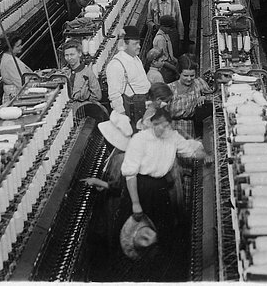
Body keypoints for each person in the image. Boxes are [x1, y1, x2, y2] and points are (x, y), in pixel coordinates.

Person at [120, 108, 208, 251]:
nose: (163, 128)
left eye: (166, 125)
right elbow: (130, 175)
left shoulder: (172, 137)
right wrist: (136, 203)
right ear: (151, 123)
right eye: (159, 124)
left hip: (160, 188)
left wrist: (206, 155)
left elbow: (190, 150)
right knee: (138, 232)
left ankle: (160, 257)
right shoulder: (139, 140)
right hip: (140, 188)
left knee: (162, 228)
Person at [82, 111, 133, 250]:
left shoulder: (119, 159)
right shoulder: (117, 151)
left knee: (113, 228)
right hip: (117, 198)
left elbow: (118, 186)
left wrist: (96, 181)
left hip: (117, 202)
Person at [106, 26, 151, 127]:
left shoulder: (135, 58)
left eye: (139, 43)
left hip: (144, 105)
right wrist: (123, 119)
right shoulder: (116, 65)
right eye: (135, 44)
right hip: (133, 110)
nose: (139, 46)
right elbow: (114, 95)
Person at [167, 54, 212, 139]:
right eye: (185, 75)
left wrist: (205, 98)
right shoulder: (170, 89)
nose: (189, 79)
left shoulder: (199, 83)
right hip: (171, 129)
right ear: (179, 73)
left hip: (190, 128)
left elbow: (213, 97)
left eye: (192, 76)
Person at [0, 31, 34, 103]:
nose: (21, 47)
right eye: (18, 46)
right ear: (9, 48)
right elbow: (20, 82)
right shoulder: (9, 61)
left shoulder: (10, 57)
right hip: (15, 93)